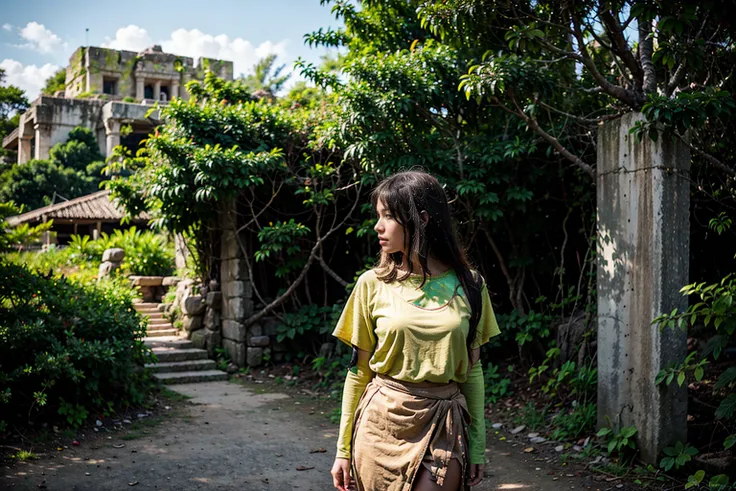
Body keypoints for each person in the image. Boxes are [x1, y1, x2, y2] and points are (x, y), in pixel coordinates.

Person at [330, 171, 501, 491]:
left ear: (421, 220)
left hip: (443, 422)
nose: (378, 226)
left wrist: (477, 445)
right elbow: (358, 372)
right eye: (378, 216)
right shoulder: (372, 284)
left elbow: (473, 372)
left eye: (388, 216)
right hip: (380, 425)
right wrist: (342, 449)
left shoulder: (471, 285)